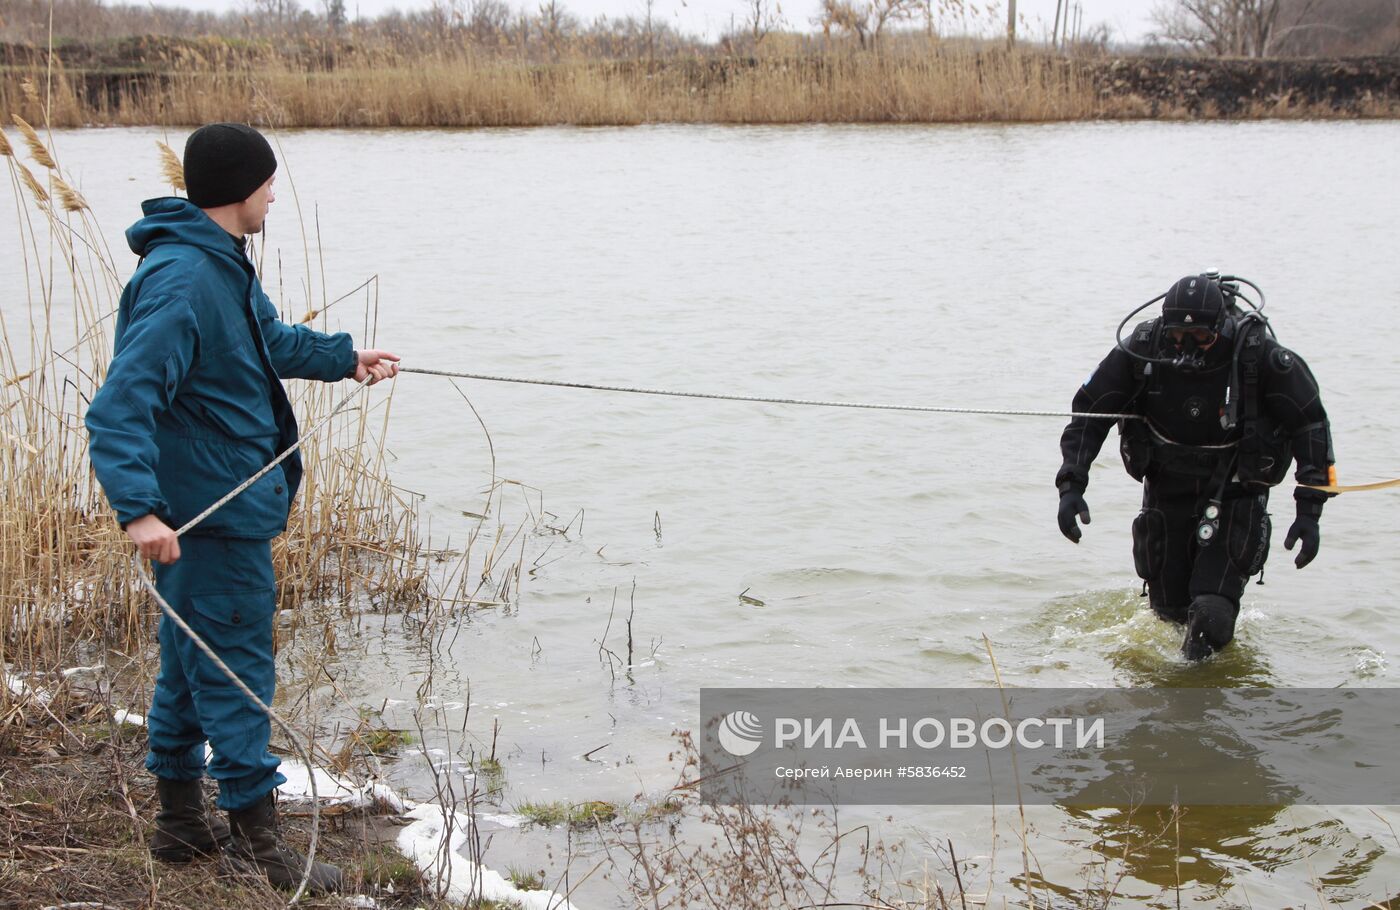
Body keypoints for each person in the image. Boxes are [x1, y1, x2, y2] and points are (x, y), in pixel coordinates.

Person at [85, 122, 399, 891]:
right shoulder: (185, 280)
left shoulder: (218, 263)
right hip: (207, 518)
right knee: (237, 672)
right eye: (266, 182)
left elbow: (265, 342)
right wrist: (139, 510)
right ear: (237, 188)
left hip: (213, 513)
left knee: (190, 670)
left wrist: (341, 359)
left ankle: (180, 826)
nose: (272, 194)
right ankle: (260, 851)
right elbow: (118, 406)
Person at [1054, 273, 1334, 661]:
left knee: (1211, 618)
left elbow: (1310, 424)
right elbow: (1090, 412)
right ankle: (1180, 713)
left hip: (1236, 491)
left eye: (1201, 337)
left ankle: (1201, 699)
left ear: (1222, 327)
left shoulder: (1259, 357)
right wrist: (1072, 485)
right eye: (1177, 337)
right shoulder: (1142, 352)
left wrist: (1310, 511)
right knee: (1167, 617)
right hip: (1167, 489)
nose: (1187, 347)